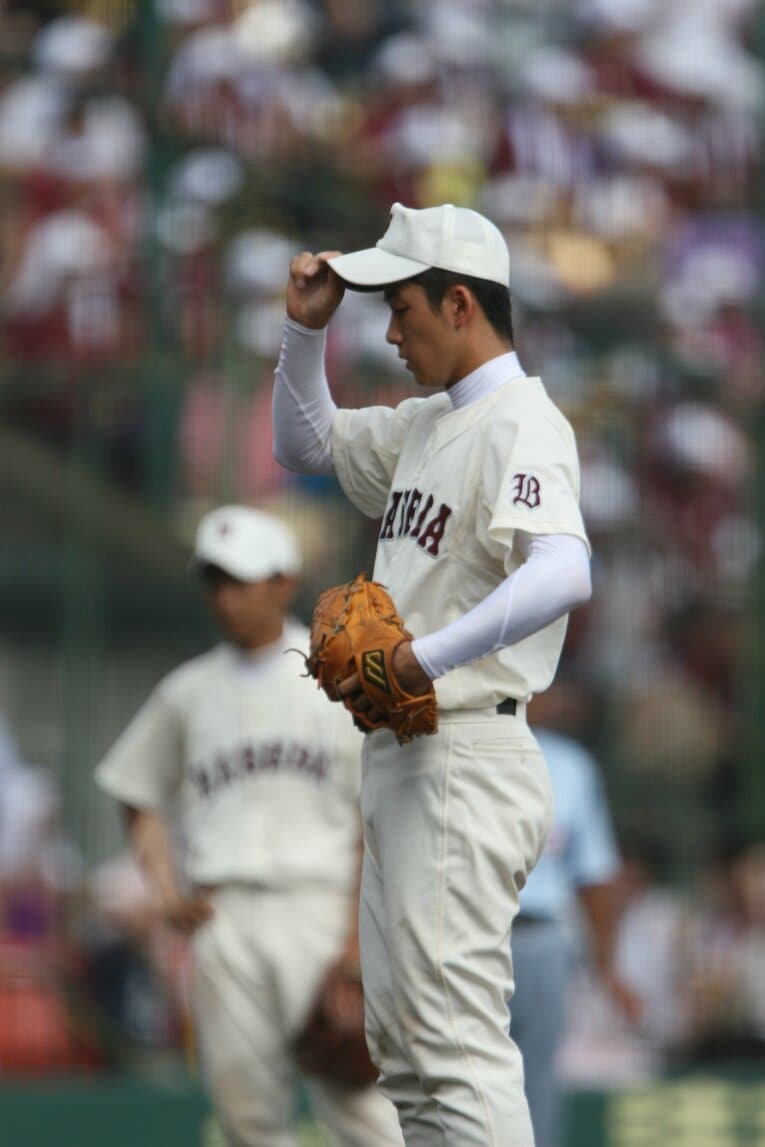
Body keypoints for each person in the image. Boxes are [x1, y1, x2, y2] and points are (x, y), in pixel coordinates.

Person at [273, 201, 593, 1145]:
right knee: (407, 1050)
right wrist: (303, 332)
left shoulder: (519, 418)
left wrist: (422, 654)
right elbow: (304, 445)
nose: (388, 327)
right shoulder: (426, 425)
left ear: (459, 303)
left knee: (451, 1047)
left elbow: (564, 567)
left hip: (469, 747)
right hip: (412, 752)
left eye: (401, 305)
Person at [95, 505, 403, 1147]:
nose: (225, 597)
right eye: (214, 581)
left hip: (319, 909)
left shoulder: (337, 676)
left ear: (283, 583)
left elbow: (372, 818)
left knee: (363, 1110)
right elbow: (135, 790)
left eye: (241, 580)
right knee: (245, 1117)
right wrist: (162, 888)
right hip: (223, 914)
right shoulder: (187, 691)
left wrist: (357, 938)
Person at [511, 685, 642, 1147]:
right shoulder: (457, 745)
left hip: (539, 934)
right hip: (463, 929)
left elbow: (595, 875)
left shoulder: (570, 765)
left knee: (537, 1077)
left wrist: (607, 965)